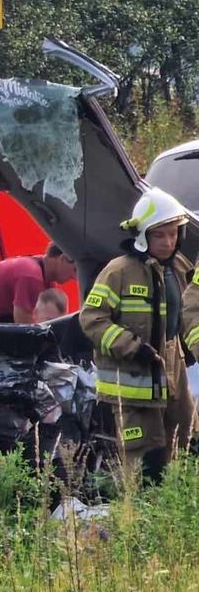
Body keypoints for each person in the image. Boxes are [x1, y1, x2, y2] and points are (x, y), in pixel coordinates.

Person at [80, 187, 194, 483]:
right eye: (160, 235)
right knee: (145, 462)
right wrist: (132, 347)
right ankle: (137, 518)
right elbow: (92, 319)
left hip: (173, 367)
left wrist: (186, 344)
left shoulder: (180, 267)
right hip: (134, 379)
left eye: (173, 233)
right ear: (143, 236)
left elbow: (187, 309)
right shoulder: (118, 272)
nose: (168, 242)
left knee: (183, 441)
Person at [0, 243, 77, 323]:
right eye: (75, 270)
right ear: (63, 259)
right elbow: (25, 328)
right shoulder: (31, 276)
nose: (75, 277)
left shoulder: (43, 274)